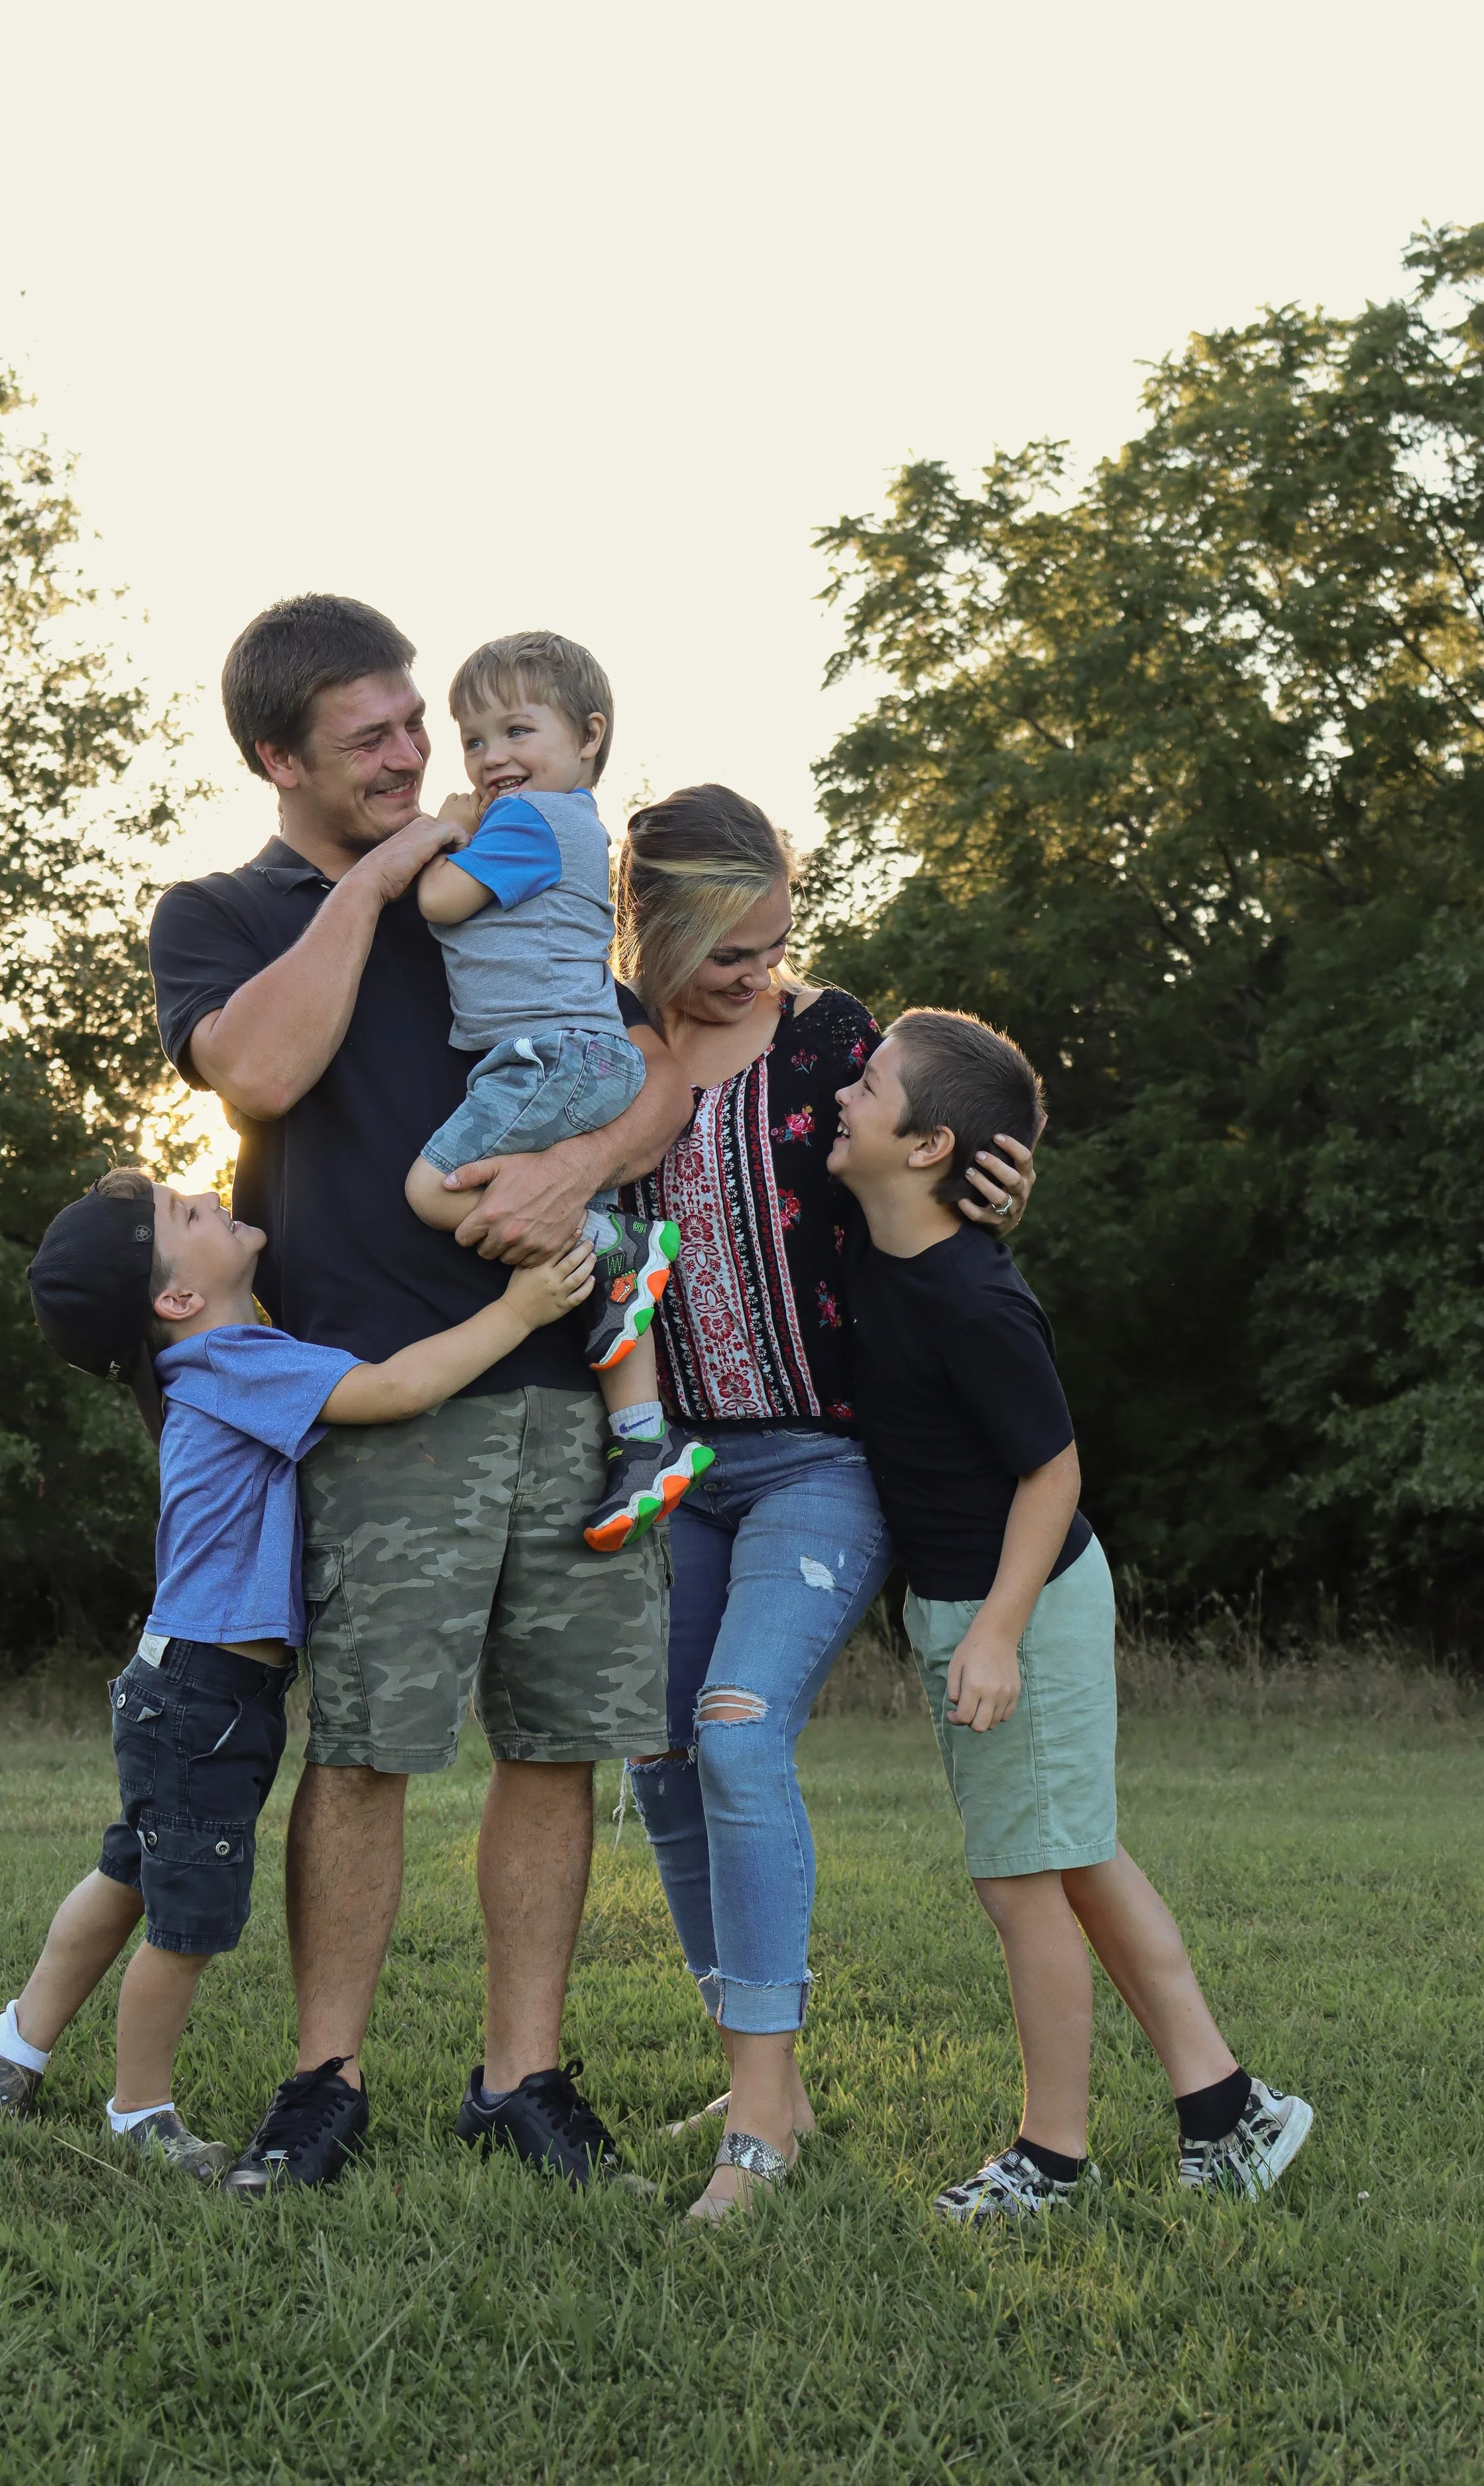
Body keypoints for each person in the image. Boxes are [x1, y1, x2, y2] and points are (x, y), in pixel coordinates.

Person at [146, 595, 692, 2192]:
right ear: (277, 759)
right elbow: (255, 1073)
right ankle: (325, 2079)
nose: (409, 757)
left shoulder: (522, 864)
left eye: (414, 726)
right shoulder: (225, 914)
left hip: (571, 1380)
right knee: (372, 1747)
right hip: (386, 1397)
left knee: (556, 1742)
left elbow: (650, 1063)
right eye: (369, 740)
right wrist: (380, 881)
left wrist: (583, 1163)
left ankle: (521, 2077)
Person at [0, 1169, 593, 2184]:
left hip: (188, 1687)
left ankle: (11, 2041)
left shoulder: (209, 1364)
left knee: (133, 1870)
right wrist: (520, 1307)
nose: (209, 1194)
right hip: (206, 1696)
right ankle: (140, 2110)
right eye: (185, 1213)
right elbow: (395, 1389)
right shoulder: (235, 1361)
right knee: (186, 1919)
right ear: (174, 1298)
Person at [615, 786, 1036, 2218]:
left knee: (735, 1737)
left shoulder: (824, 1040)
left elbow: (928, 1164)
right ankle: (759, 2075)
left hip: (822, 1461)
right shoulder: (617, 1049)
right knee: (658, 1762)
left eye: (773, 939)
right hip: (685, 1472)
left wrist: (994, 1182)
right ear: (654, 925)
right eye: (725, 949)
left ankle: (761, 2142)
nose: (755, 972)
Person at [832, 1006, 1314, 2218]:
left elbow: (1053, 1471)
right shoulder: (870, 1234)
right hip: (972, 1599)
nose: (846, 1089)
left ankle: (1052, 2157)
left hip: (1024, 1601)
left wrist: (993, 1632)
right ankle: (1227, 2107)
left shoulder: (974, 1299)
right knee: (1076, 1859)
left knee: (1023, 1882)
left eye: (872, 1081)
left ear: (929, 1144)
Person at [402, 630, 714, 1551]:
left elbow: (438, 903)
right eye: (474, 741)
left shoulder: (527, 822)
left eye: (515, 730)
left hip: (551, 1060)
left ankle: (614, 1237)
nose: (492, 758)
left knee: (434, 1187)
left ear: (588, 737)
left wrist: (442, 825)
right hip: (587, 1060)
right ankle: (645, 1442)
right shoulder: (571, 821)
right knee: (614, 1288)